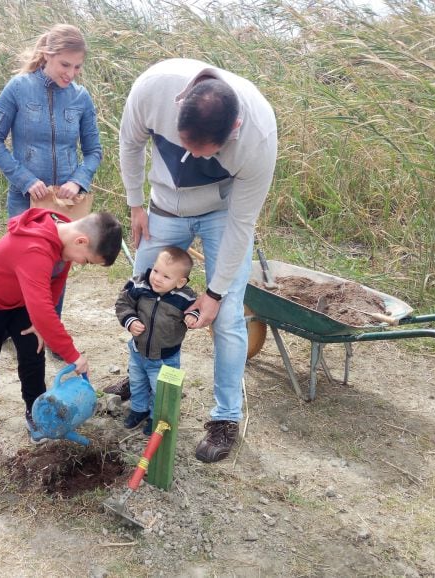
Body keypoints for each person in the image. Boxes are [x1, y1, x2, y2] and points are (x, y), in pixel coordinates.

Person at [115, 58, 277, 463]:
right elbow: (130, 143)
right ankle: (141, 377)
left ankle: (225, 418)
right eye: (183, 144)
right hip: (162, 207)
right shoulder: (153, 87)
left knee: (227, 318)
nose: (187, 157)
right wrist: (135, 203)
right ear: (178, 102)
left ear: (233, 130)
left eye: (201, 152)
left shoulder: (257, 136)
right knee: (142, 291)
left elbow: (242, 225)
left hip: (223, 213)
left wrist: (215, 293)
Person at [0, 208, 122, 443]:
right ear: (81, 240)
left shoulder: (65, 239)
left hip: (22, 299)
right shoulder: (35, 248)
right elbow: (42, 308)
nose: (80, 263)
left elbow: (56, 281)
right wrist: (72, 356)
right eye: (86, 260)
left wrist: (40, 323)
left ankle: (36, 411)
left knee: (33, 353)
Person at [0, 24, 102, 327]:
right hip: (25, 201)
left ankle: (48, 331)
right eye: (65, 65)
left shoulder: (81, 98)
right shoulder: (18, 88)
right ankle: (16, 328)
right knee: (24, 265)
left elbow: (94, 152)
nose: (71, 73)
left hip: (65, 205)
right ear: (47, 55)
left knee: (58, 267)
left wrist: (77, 181)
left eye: (77, 67)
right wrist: (24, 179)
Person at [114, 247, 199, 435]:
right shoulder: (140, 286)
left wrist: (192, 316)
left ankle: (157, 416)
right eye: (156, 270)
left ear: (180, 282)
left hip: (165, 357)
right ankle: (139, 409)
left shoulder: (184, 297)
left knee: (161, 391)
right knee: (137, 383)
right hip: (138, 351)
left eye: (166, 277)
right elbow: (123, 302)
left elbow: (196, 307)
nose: (157, 278)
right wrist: (130, 320)